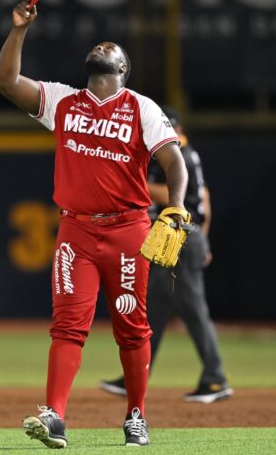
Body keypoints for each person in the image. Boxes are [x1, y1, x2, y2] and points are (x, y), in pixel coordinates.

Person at [0, 0, 188, 448]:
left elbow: (174, 163)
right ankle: (55, 416)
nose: (102, 46)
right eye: (98, 46)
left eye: (111, 47)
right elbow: (5, 82)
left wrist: (175, 208)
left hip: (127, 230)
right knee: (67, 326)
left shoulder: (140, 107)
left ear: (123, 68)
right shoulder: (63, 100)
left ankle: (136, 414)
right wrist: (19, 29)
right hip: (76, 231)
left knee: (132, 326)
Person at [99, 107, 233, 404]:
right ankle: (134, 377)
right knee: (153, 312)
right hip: (182, 236)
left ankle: (215, 379)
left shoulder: (179, 154)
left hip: (182, 237)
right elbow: (205, 201)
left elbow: (181, 196)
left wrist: (137, 185)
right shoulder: (184, 153)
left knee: (193, 309)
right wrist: (205, 241)